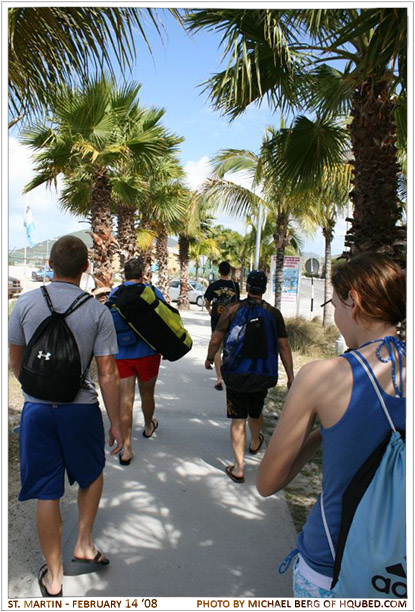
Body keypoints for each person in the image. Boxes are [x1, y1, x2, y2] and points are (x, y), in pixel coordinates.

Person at [256, 252, 406, 598]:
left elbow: (268, 482)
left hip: (331, 564)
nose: (336, 315)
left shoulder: (322, 377)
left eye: (335, 304)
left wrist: (323, 431)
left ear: (353, 301)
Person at [8, 235, 123, 598]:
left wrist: (37, 389)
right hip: (81, 411)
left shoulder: (24, 304)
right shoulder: (97, 311)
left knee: (46, 491)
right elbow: (107, 372)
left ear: (50, 266)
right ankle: (84, 543)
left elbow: (16, 361)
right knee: (91, 475)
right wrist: (117, 421)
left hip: (37, 410)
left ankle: (54, 578)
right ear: (86, 268)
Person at [205, 270, 294, 483]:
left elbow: (217, 338)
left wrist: (209, 358)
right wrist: (290, 375)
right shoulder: (273, 314)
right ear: (264, 289)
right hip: (262, 373)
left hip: (235, 373)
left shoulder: (232, 309)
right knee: (256, 410)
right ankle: (255, 441)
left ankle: (238, 468)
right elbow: (283, 346)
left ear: (247, 286)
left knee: (238, 419)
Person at [108, 257, 165, 466]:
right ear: (143, 274)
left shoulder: (115, 293)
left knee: (126, 400)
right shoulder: (152, 292)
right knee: (147, 393)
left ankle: (127, 448)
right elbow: (164, 320)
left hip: (122, 355)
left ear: (124, 274)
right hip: (148, 353)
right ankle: (149, 425)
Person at [204, 261, 240, 390]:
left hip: (217, 321)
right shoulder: (235, 286)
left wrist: (210, 311)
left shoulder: (214, 285)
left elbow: (207, 302)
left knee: (217, 347)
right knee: (229, 347)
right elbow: (237, 304)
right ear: (229, 271)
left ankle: (219, 377)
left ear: (219, 271)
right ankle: (230, 375)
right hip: (231, 320)